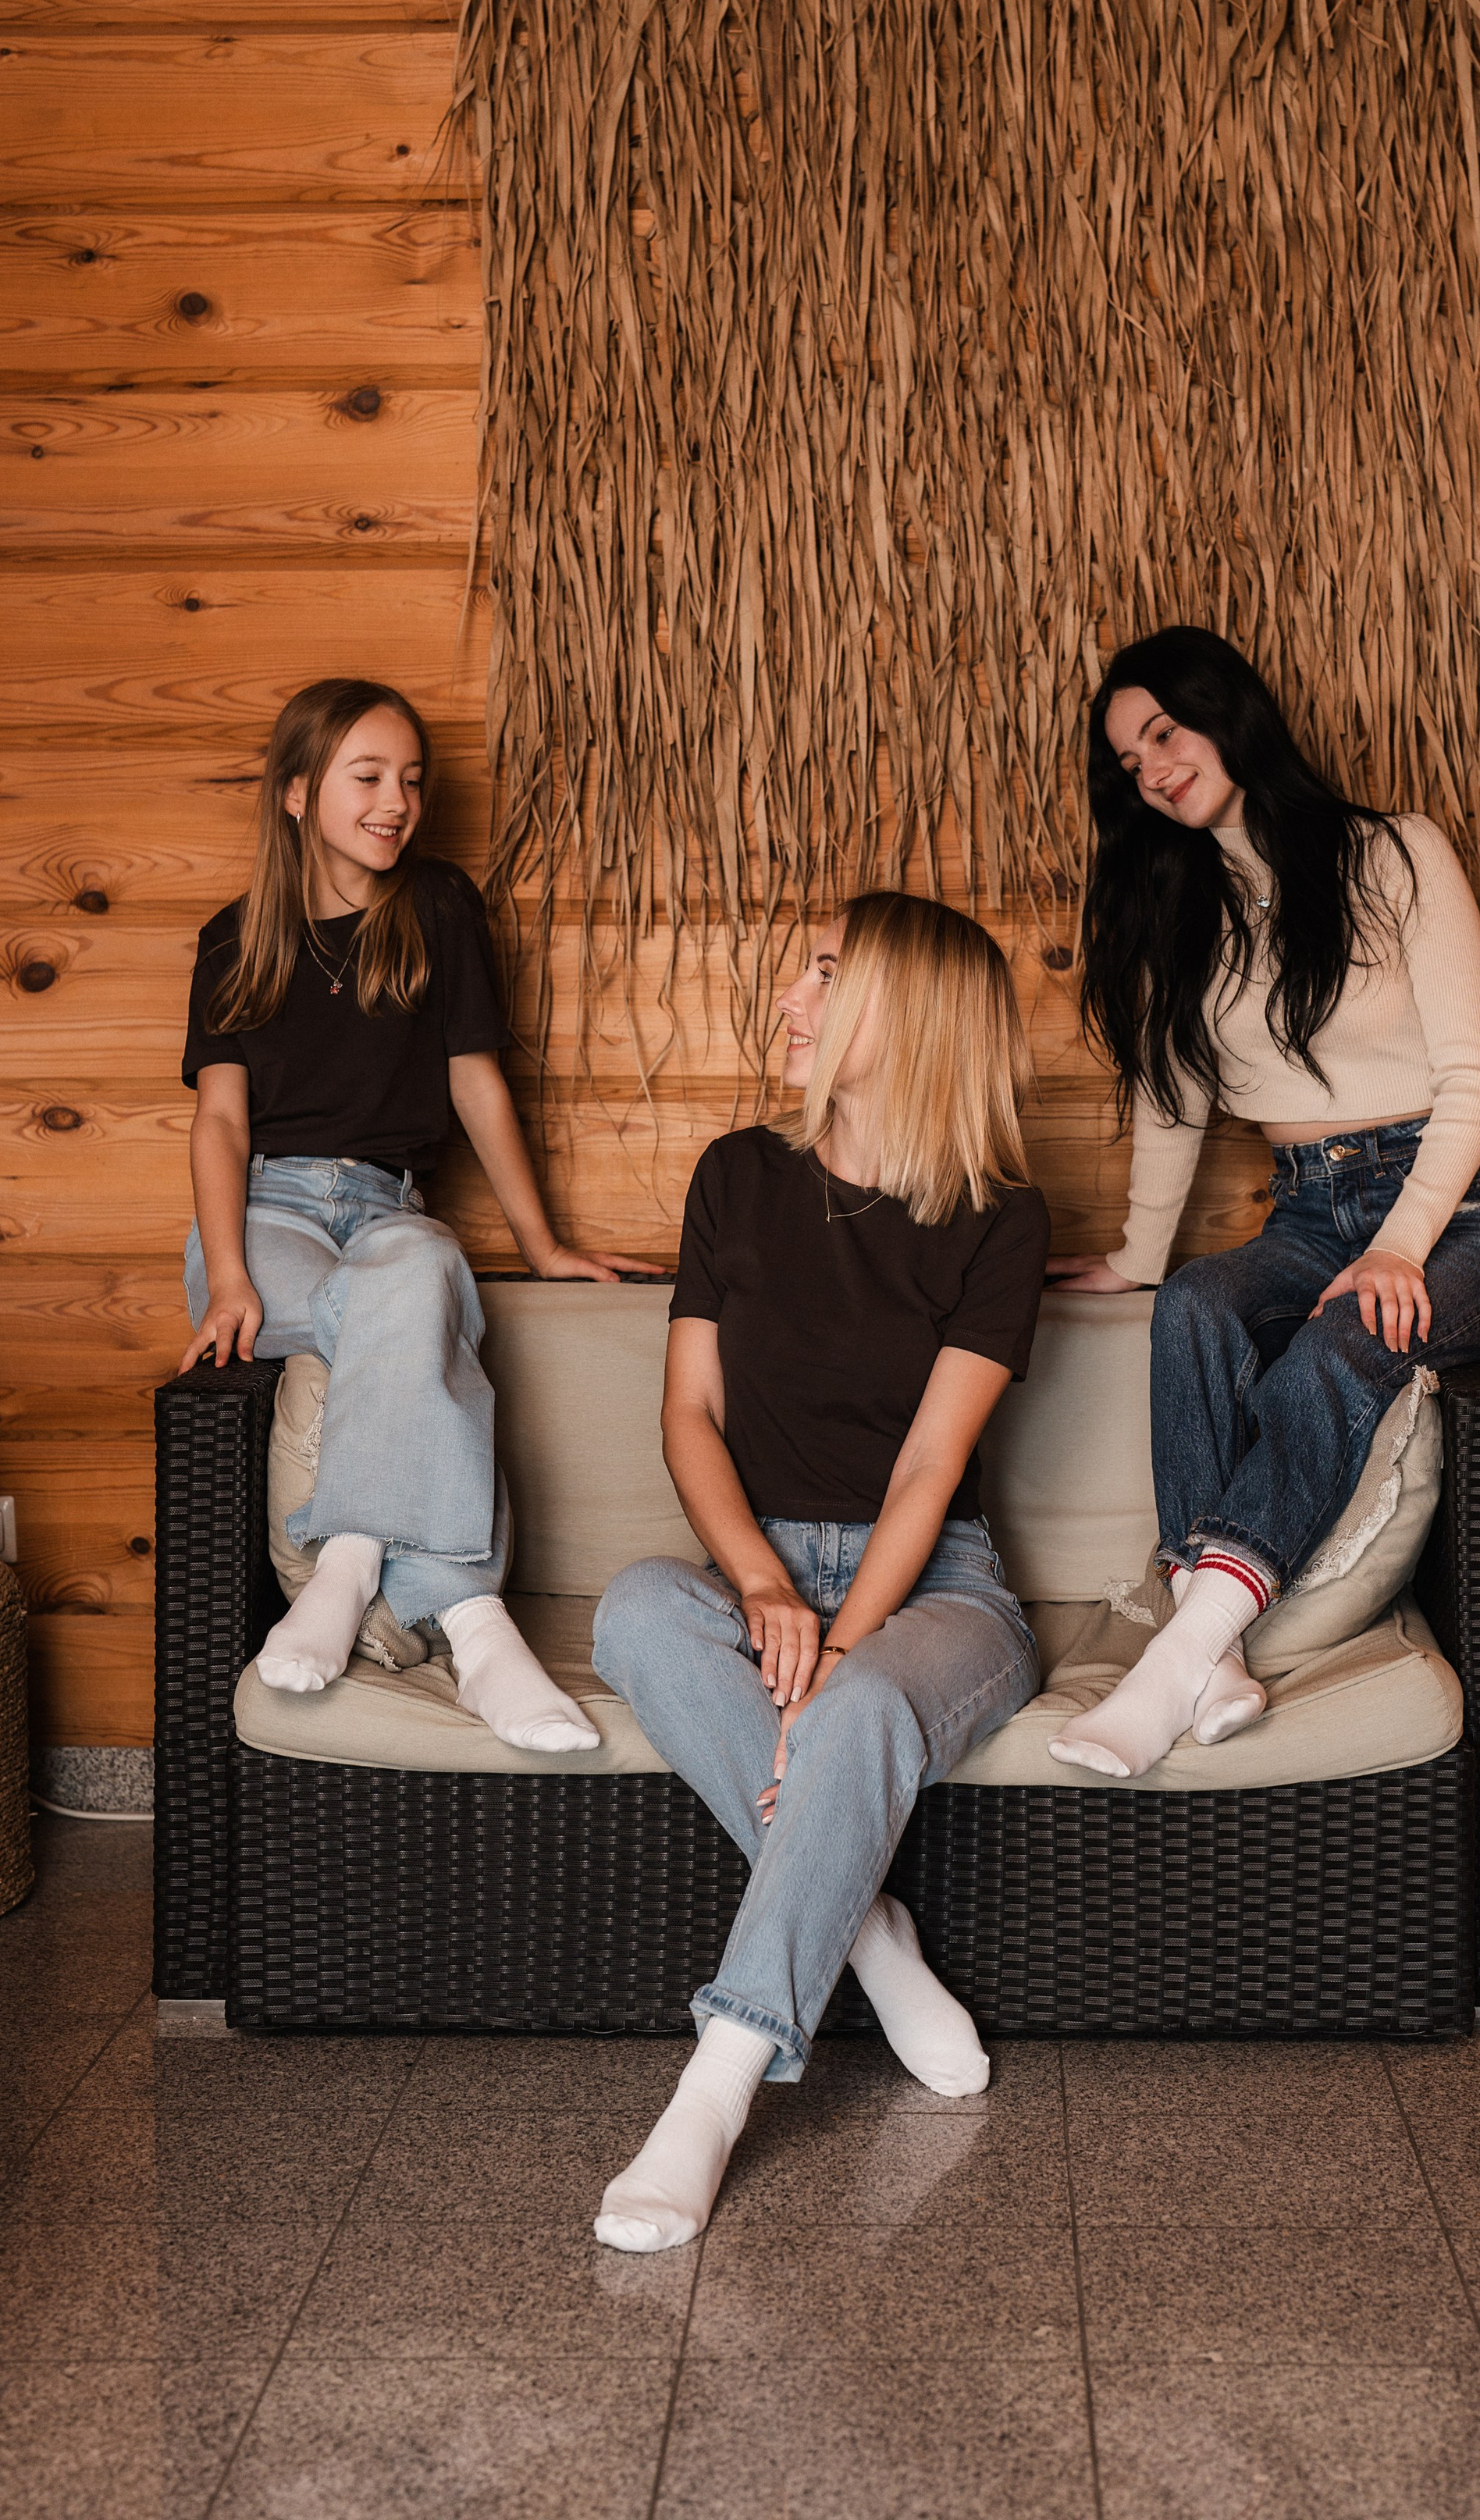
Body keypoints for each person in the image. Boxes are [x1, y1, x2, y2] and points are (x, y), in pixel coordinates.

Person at [589, 892, 1049, 2251]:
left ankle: (714, 2091)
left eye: (828, 973)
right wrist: (763, 1588)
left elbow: (927, 1471)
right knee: (636, 1609)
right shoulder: (737, 1176)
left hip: (939, 1584)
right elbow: (689, 1417)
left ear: (912, 1013)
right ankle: (871, 1937)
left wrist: (841, 1646)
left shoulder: (1000, 1218)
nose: (791, 997)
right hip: (760, 1570)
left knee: (856, 1710)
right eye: (803, 970)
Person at [1046, 625, 1480, 1778]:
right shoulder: (1183, 910)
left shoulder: (1396, 852)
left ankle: (1178, 1656)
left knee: (1342, 1341)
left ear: (1227, 712)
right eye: (1129, 761)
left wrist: (1402, 1247)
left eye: (1163, 733)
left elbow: (1474, 1082)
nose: (1152, 769)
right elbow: (1174, 1102)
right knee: (1194, 1306)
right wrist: (1139, 1257)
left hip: (1461, 1215)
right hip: (1310, 1214)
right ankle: (1216, 1658)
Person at [180, 675, 658, 1749]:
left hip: (392, 1206)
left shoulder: (438, 905)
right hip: (267, 1214)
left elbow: (474, 1079)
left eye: (410, 779)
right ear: (297, 791)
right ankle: (477, 1625)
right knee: (417, 1315)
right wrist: (232, 1277)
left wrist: (542, 1244)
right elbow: (218, 1122)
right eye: (367, 777)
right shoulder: (233, 938)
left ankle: (349, 1563)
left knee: (419, 1271)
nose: (396, 802)